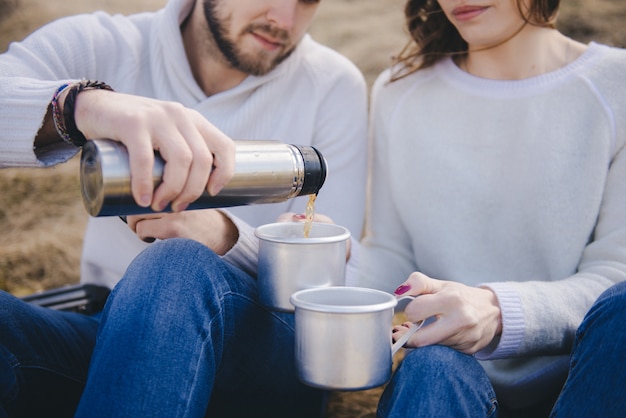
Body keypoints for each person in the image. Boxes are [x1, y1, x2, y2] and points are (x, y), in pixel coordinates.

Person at [0, 0, 368, 416]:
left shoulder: (333, 85)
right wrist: (81, 107)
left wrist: (229, 238)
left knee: (176, 265)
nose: (284, 20)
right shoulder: (104, 44)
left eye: (307, 1)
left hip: (260, 355)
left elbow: (344, 279)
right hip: (111, 332)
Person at [350, 0, 626, 416]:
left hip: (589, 378)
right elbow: (394, 254)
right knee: (433, 366)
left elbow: (617, 277)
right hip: (450, 378)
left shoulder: (616, 85)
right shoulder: (399, 90)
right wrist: (336, 262)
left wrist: (499, 313)